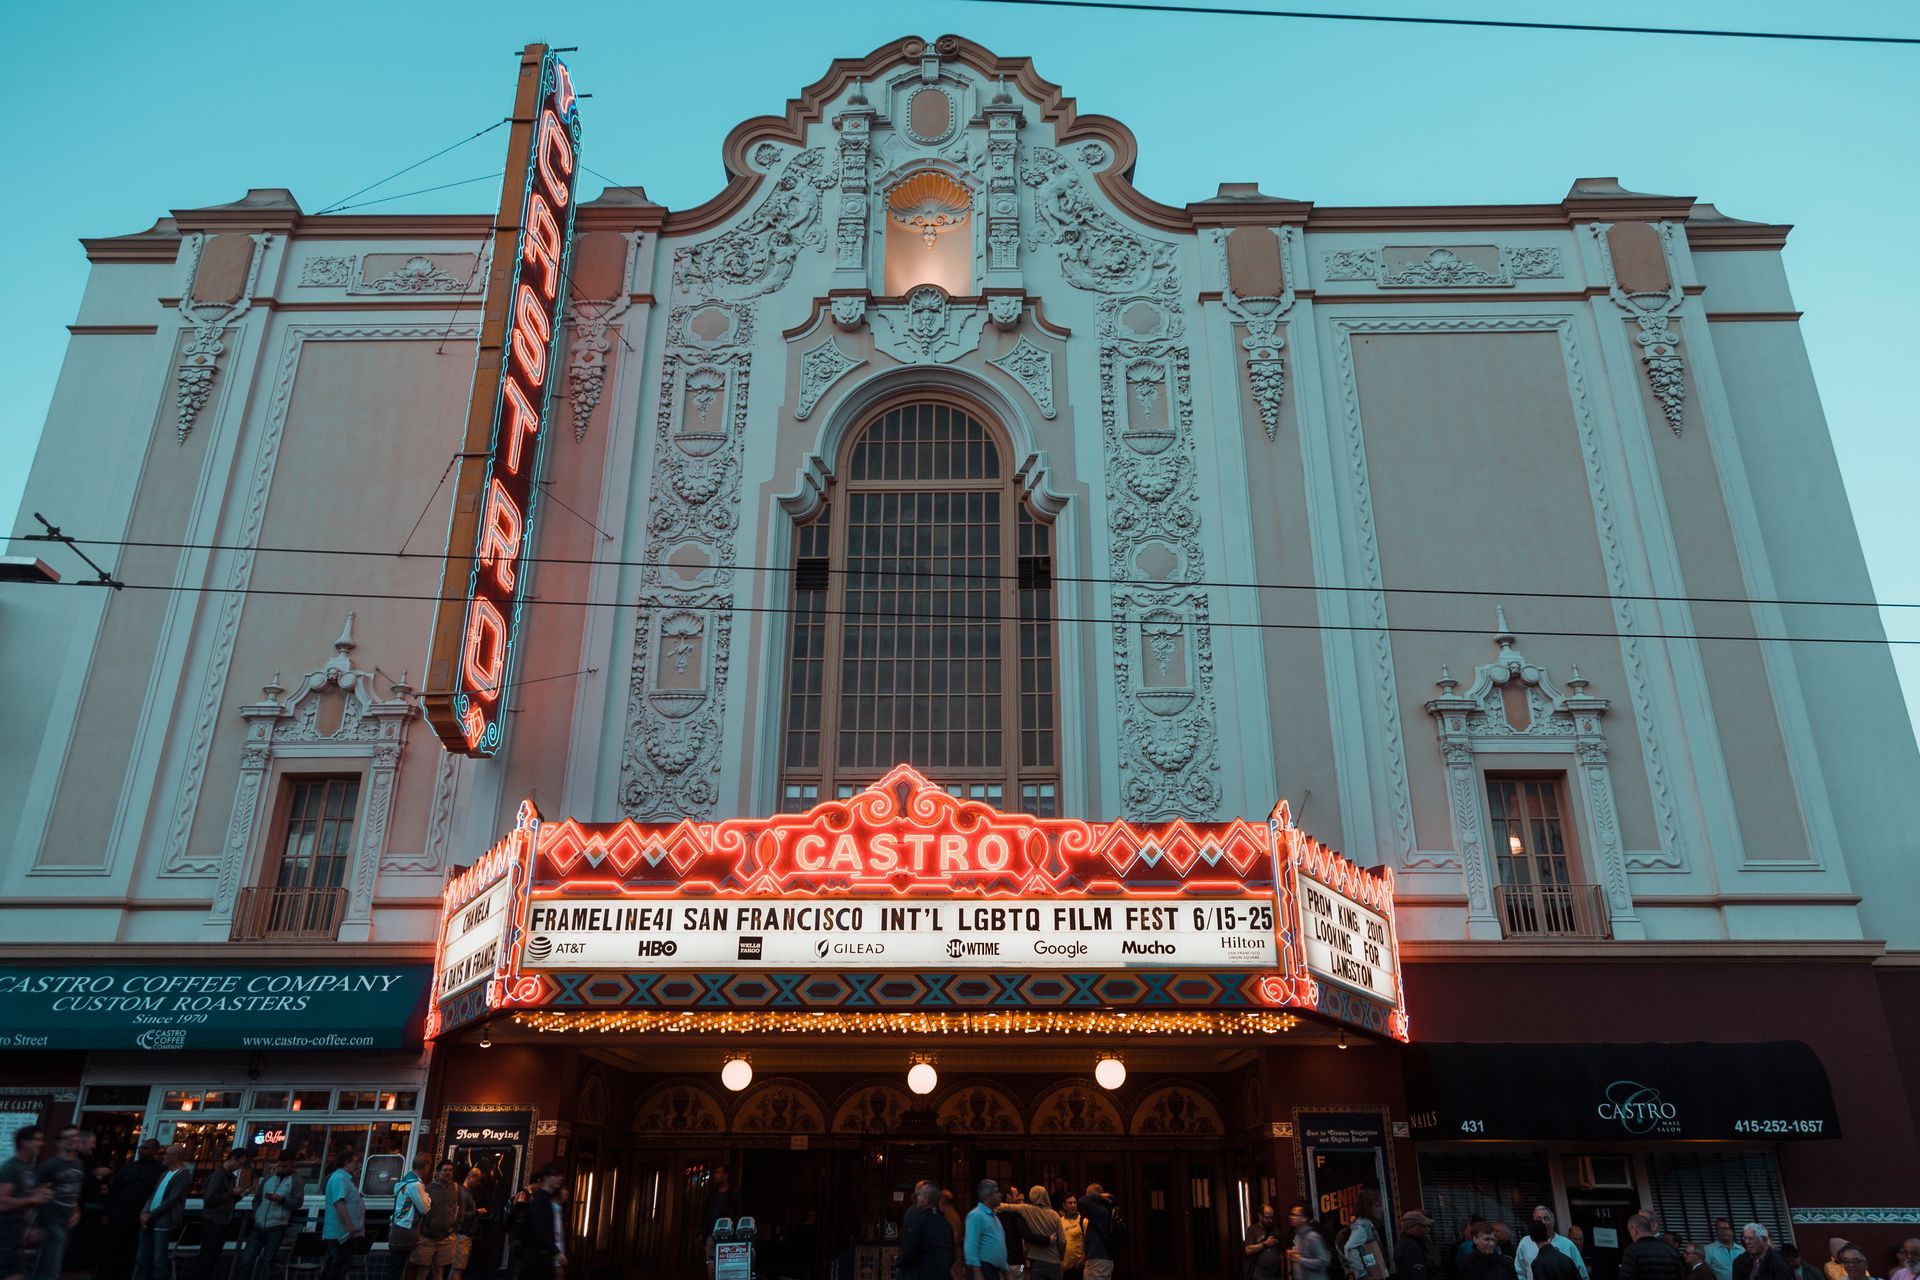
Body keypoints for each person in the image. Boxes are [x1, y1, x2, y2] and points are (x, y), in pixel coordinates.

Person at [31, 1125, 87, 1280]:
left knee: (52, 1262)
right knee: (50, 1267)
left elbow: (74, 1190)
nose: (73, 1141)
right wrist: (34, 1225)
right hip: (50, 1218)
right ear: (60, 1142)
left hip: (67, 1220)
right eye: (68, 1138)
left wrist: (76, 1210)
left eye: (76, 1137)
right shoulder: (50, 1165)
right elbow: (33, 1192)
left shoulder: (78, 1163)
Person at [103, 1141, 165, 1280]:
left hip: (139, 1218)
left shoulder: (158, 1170)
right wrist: (108, 1211)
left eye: (145, 1148)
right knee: (112, 1249)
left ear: (154, 1150)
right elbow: (115, 1188)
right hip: (120, 1215)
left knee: (131, 1251)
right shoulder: (130, 1166)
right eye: (140, 1147)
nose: (141, 1150)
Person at [238, 1154, 304, 1280]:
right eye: (279, 1165)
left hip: (277, 1226)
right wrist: (257, 1212)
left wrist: (282, 1200)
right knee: (246, 1260)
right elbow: (257, 1199)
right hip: (259, 1225)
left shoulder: (296, 1181)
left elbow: (298, 1202)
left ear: (291, 1166)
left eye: (284, 1166)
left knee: (268, 1261)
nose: (281, 1168)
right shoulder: (268, 1179)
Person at [1, 1127, 53, 1280]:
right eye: (37, 1139)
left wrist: (31, 1227)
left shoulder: (27, 1168)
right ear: (24, 1142)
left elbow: (27, 1200)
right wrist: (31, 1199)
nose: (41, 1143)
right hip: (4, 1234)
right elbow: (1, 1203)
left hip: (16, 1235)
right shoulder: (10, 1168)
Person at [135, 1145, 190, 1280]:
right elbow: (154, 1194)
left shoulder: (183, 1175)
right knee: (142, 1256)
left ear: (175, 1157)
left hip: (163, 1221)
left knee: (159, 1258)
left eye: (165, 1154)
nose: (162, 1157)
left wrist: (151, 1214)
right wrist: (144, 1211)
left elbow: (172, 1199)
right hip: (149, 1219)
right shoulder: (164, 1174)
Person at [195, 1149, 250, 1280]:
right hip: (213, 1222)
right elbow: (209, 1199)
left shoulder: (229, 1177)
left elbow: (226, 1200)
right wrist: (232, 1193)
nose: (239, 1167)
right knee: (207, 1257)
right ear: (233, 1159)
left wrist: (240, 1195)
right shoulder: (219, 1175)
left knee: (212, 1256)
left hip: (221, 1221)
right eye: (240, 1163)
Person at [410, 1162, 466, 1280]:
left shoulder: (456, 1189)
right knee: (423, 1271)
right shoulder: (429, 1188)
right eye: (445, 1170)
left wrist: (455, 1228)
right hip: (427, 1237)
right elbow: (420, 1210)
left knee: (439, 1271)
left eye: (450, 1170)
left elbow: (460, 1210)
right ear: (438, 1173)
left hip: (446, 1237)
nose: (447, 1173)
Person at [318, 1149, 366, 1280]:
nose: (357, 1165)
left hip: (344, 1233)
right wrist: (349, 1225)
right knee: (338, 1267)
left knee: (337, 1266)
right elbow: (339, 1202)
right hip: (341, 1233)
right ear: (346, 1162)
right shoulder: (339, 1179)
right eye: (355, 1162)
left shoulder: (346, 1179)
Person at [1001, 1187, 1063, 1280]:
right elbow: (1062, 1241)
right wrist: (1059, 1256)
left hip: (1024, 1264)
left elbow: (1005, 1206)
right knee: (1020, 1274)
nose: (1021, 1201)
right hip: (1021, 1264)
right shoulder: (1054, 1215)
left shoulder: (1026, 1210)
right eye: (1018, 1197)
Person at [515, 1165, 563, 1280]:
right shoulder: (541, 1201)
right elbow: (540, 1230)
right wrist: (556, 1252)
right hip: (536, 1258)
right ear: (546, 1178)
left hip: (538, 1257)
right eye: (555, 1175)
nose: (560, 1178)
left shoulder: (543, 1199)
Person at [900, 1182, 955, 1280]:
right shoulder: (945, 1223)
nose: (918, 1198)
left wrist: (899, 1261)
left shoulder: (918, 1220)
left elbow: (910, 1251)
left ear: (926, 1200)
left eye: (920, 1195)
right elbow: (952, 1253)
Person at [390, 1156, 431, 1280]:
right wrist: (428, 1199)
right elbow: (424, 1209)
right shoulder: (415, 1185)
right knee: (401, 1268)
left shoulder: (406, 1180)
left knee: (396, 1267)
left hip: (397, 1228)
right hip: (406, 1230)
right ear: (426, 1166)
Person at [1517, 1210, 1588, 1280]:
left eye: (1546, 1218)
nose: (1543, 1221)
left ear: (1531, 1238)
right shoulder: (1566, 1259)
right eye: (1539, 1219)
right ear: (1546, 1233)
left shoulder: (1538, 1263)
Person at [964, 1180, 1007, 1280]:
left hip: (994, 1271)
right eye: (996, 1192)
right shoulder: (976, 1215)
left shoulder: (994, 1216)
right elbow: (971, 1245)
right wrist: (977, 1272)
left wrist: (1005, 1269)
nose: (1000, 1195)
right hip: (984, 1270)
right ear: (988, 1196)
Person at [1619, 1215, 1684, 1280]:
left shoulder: (1632, 1250)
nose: (1631, 1236)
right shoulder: (1670, 1249)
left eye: (1630, 1233)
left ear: (1634, 1229)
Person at [701, 1166, 737, 1278]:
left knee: (724, 1268)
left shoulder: (733, 1194)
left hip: (726, 1236)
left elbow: (738, 1213)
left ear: (726, 1176)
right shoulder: (712, 1194)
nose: (715, 1175)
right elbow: (706, 1214)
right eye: (715, 1172)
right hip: (710, 1235)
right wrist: (702, 1232)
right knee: (711, 1268)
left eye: (719, 1172)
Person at [1341, 1191, 1387, 1280]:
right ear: (1367, 1208)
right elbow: (1350, 1248)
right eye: (1377, 1206)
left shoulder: (1367, 1224)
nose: (1381, 1209)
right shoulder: (1362, 1225)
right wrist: (1362, 1274)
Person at [449, 1170, 484, 1280]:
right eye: (477, 1180)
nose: (477, 1184)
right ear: (471, 1178)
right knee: (458, 1268)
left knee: (456, 1268)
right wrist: (476, 1212)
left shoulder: (466, 1193)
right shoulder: (464, 1194)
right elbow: (461, 1216)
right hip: (463, 1236)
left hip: (463, 1235)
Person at [1079, 1185, 1115, 1280]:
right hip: (1107, 1259)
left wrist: (1098, 1196)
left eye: (1088, 1195)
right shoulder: (1109, 1208)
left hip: (1097, 1259)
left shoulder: (1098, 1210)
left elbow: (1082, 1201)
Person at [1244, 1205, 1285, 1280]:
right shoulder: (1252, 1230)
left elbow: (1281, 1254)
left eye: (1271, 1217)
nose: (1270, 1220)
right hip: (1259, 1275)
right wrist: (1264, 1244)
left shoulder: (1276, 1230)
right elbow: (1248, 1250)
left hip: (1275, 1275)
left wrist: (1282, 1274)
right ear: (1260, 1216)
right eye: (1267, 1217)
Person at [1395, 1212, 1434, 1280]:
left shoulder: (1407, 1243)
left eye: (1428, 1226)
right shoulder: (1411, 1247)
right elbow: (1419, 1275)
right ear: (1411, 1227)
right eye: (1423, 1226)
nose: (1427, 1229)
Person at [938, 1191, 967, 1280]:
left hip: (952, 1255)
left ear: (942, 1201)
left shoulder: (950, 1215)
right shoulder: (952, 1214)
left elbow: (956, 1235)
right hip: (953, 1254)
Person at [1058, 1195, 1085, 1280]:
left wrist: (1082, 1260)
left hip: (1078, 1268)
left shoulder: (1082, 1219)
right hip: (1064, 1268)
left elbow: (1090, 1242)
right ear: (1064, 1206)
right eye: (1070, 1203)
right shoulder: (1060, 1221)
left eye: (1074, 1202)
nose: (1073, 1205)